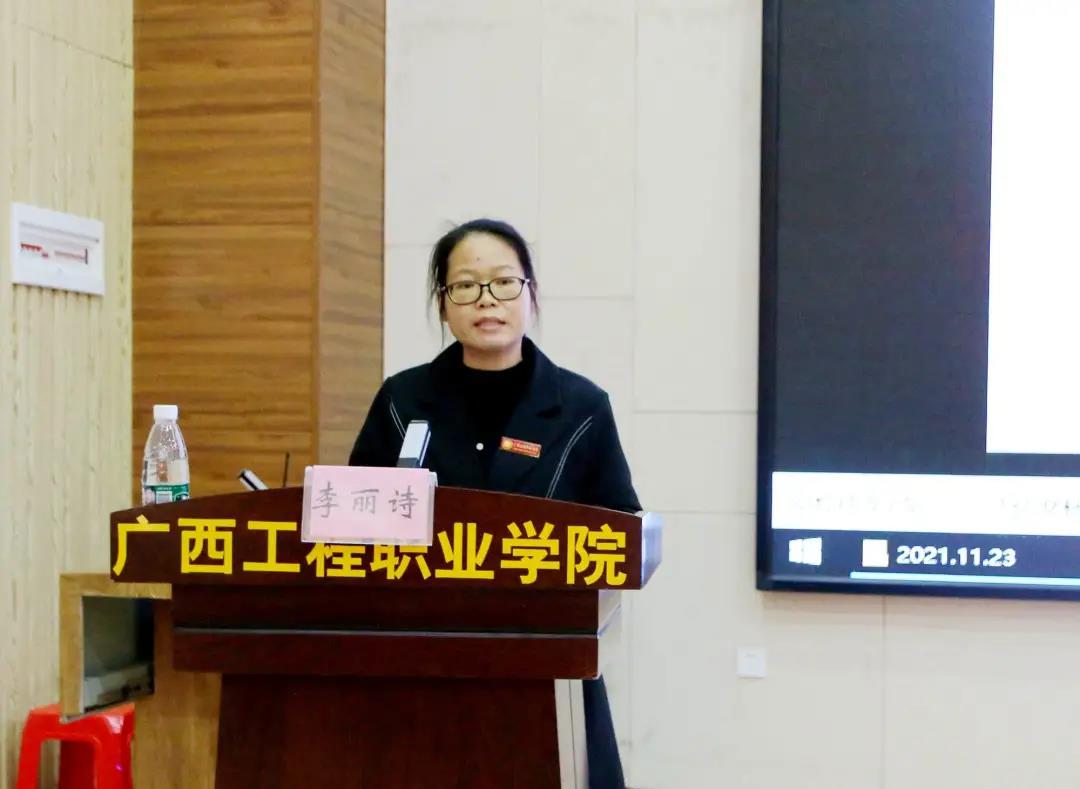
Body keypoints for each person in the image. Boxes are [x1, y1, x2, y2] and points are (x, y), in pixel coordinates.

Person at [348, 217, 639, 789]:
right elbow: (354, 517)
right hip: (423, 661)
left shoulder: (581, 406)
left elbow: (621, 529)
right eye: (465, 285)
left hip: (547, 662)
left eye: (504, 282)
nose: (487, 299)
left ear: (530, 294)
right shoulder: (403, 400)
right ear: (443, 304)